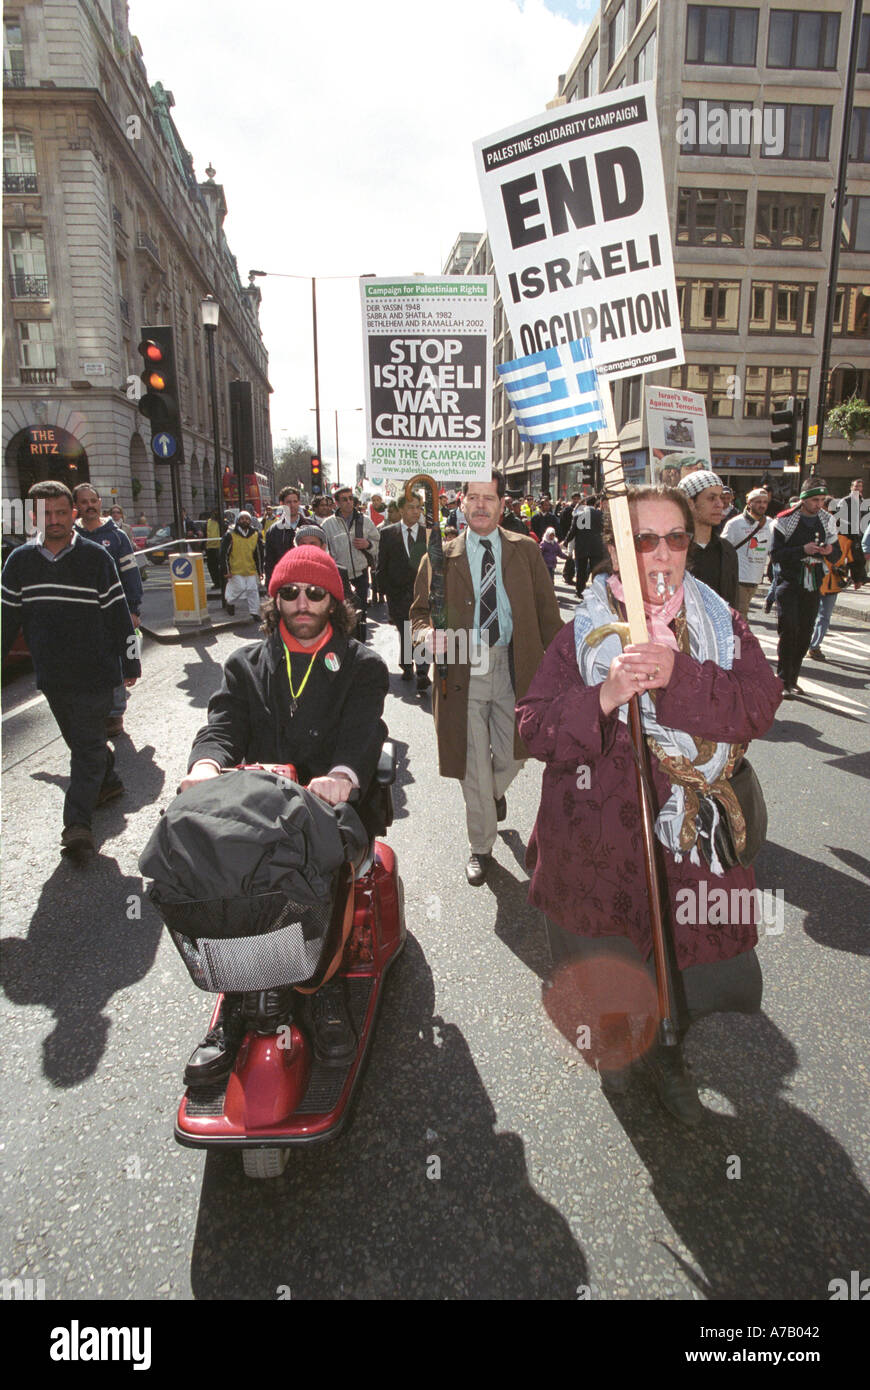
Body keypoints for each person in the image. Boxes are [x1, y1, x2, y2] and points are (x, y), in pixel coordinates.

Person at [516, 485, 782, 1125]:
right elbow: (533, 726)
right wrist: (603, 696)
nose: (662, 553)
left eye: (676, 538)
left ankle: (669, 1057)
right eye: (644, 539)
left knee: (682, 961)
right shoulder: (580, 632)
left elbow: (760, 703)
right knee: (609, 960)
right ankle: (618, 1054)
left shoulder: (719, 621)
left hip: (687, 839)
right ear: (614, 549)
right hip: (597, 841)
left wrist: (678, 674)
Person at [180, 545, 389, 1075]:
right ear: (275, 600)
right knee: (216, 864)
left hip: (331, 808)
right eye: (290, 592)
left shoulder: (362, 666)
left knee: (323, 867)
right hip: (262, 807)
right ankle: (236, 994)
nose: (302, 602)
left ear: (333, 603)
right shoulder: (244, 664)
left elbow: (366, 731)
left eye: (316, 593)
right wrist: (206, 764)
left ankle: (324, 986)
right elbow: (222, 725)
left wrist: (342, 776)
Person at [410, 471, 562, 886]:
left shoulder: (526, 552)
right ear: (461, 502)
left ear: (502, 504)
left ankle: (492, 795)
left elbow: (549, 614)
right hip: (463, 671)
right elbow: (417, 616)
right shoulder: (438, 557)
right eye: (472, 497)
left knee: (520, 749)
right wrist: (426, 636)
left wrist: (568, 667)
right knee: (473, 767)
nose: (480, 505)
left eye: (488, 498)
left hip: (519, 665)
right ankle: (481, 845)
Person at [1, 481, 141, 862]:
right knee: (86, 745)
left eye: (62, 512)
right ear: (33, 517)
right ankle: (107, 780)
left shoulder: (97, 559)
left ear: (73, 513)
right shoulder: (19, 563)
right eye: (47, 514)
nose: (56, 520)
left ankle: (76, 825)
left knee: (86, 747)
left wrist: (131, 660)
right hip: (52, 677)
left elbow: (119, 616)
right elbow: (6, 620)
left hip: (96, 673)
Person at [72, 483, 143, 737]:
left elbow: (131, 574)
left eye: (93, 500)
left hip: (113, 611)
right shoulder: (71, 536)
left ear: (99, 502)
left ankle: (115, 713)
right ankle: (92, 709)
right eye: (83, 502)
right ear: (76, 506)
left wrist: (133, 609)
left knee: (115, 660)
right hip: (82, 615)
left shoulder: (117, 537)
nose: (89, 506)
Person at [770, 478, 838, 697]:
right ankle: (782, 679)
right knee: (789, 628)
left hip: (814, 582)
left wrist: (829, 551)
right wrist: (802, 550)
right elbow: (776, 555)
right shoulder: (785, 520)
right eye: (814, 500)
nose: (819, 504)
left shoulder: (827, 520)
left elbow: (836, 553)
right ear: (804, 499)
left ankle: (794, 678)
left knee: (805, 631)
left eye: (821, 500)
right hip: (789, 581)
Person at [376, 489, 432, 690]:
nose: (416, 512)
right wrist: (387, 595)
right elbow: (381, 567)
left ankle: (422, 671)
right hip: (397, 595)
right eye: (411, 508)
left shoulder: (429, 533)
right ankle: (407, 665)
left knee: (421, 632)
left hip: (423, 596)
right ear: (401, 509)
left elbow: (437, 565)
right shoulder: (388, 534)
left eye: (419, 507)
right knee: (405, 632)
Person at [321, 485, 380, 635]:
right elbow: (323, 551)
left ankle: (361, 647)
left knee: (361, 615)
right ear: (337, 503)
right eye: (344, 499)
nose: (349, 502)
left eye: (351, 498)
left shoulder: (365, 521)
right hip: (338, 578)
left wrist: (369, 544)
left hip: (360, 576)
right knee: (340, 616)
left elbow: (379, 544)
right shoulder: (327, 525)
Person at [678, 470, 739, 608]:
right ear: (690, 503)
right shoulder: (673, 549)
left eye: (720, 498)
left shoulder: (727, 551)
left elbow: (733, 604)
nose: (720, 505)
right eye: (712, 498)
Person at [722, 488, 774, 620]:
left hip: (755, 579)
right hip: (739, 579)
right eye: (758, 502)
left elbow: (772, 549)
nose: (762, 505)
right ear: (749, 503)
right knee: (741, 617)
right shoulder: (735, 523)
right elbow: (723, 549)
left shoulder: (771, 524)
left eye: (765, 502)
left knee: (739, 617)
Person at [808, 533, 855, 661]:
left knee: (824, 617)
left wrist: (853, 575)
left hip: (831, 584)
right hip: (813, 582)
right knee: (814, 616)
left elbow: (850, 560)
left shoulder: (845, 540)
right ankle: (807, 645)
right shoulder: (815, 536)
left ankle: (814, 646)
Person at [264, 487, 315, 586]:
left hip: (308, 579)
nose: (292, 505)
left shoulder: (312, 527)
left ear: (299, 502)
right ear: (282, 504)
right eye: (288, 502)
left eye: (295, 501)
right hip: (284, 581)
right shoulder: (273, 531)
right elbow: (269, 561)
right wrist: (269, 585)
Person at [220, 510, 264, 619]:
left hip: (250, 569)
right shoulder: (230, 535)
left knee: (253, 590)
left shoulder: (255, 534)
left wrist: (260, 571)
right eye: (242, 519)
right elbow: (223, 554)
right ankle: (230, 602)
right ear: (238, 520)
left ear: (250, 521)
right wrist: (226, 570)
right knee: (239, 588)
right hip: (235, 569)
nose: (245, 521)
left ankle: (255, 612)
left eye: (247, 519)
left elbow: (259, 554)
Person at [569, 494, 605, 597]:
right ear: (594, 504)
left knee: (581, 570)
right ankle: (596, 591)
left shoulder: (579, 515)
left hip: (582, 547)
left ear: (585, 503)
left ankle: (580, 591)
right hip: (596, 547)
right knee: (596, 570)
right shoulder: (600, 515)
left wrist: (567, 542)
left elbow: (573, 531)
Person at [205, 510, 222, 590]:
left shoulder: (222, 522)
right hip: (210, 548)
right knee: (212, 567)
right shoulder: (207, 522)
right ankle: (216, 583)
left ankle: (221, 582)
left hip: (220, 547)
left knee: (221, 566)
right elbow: (205, 534)